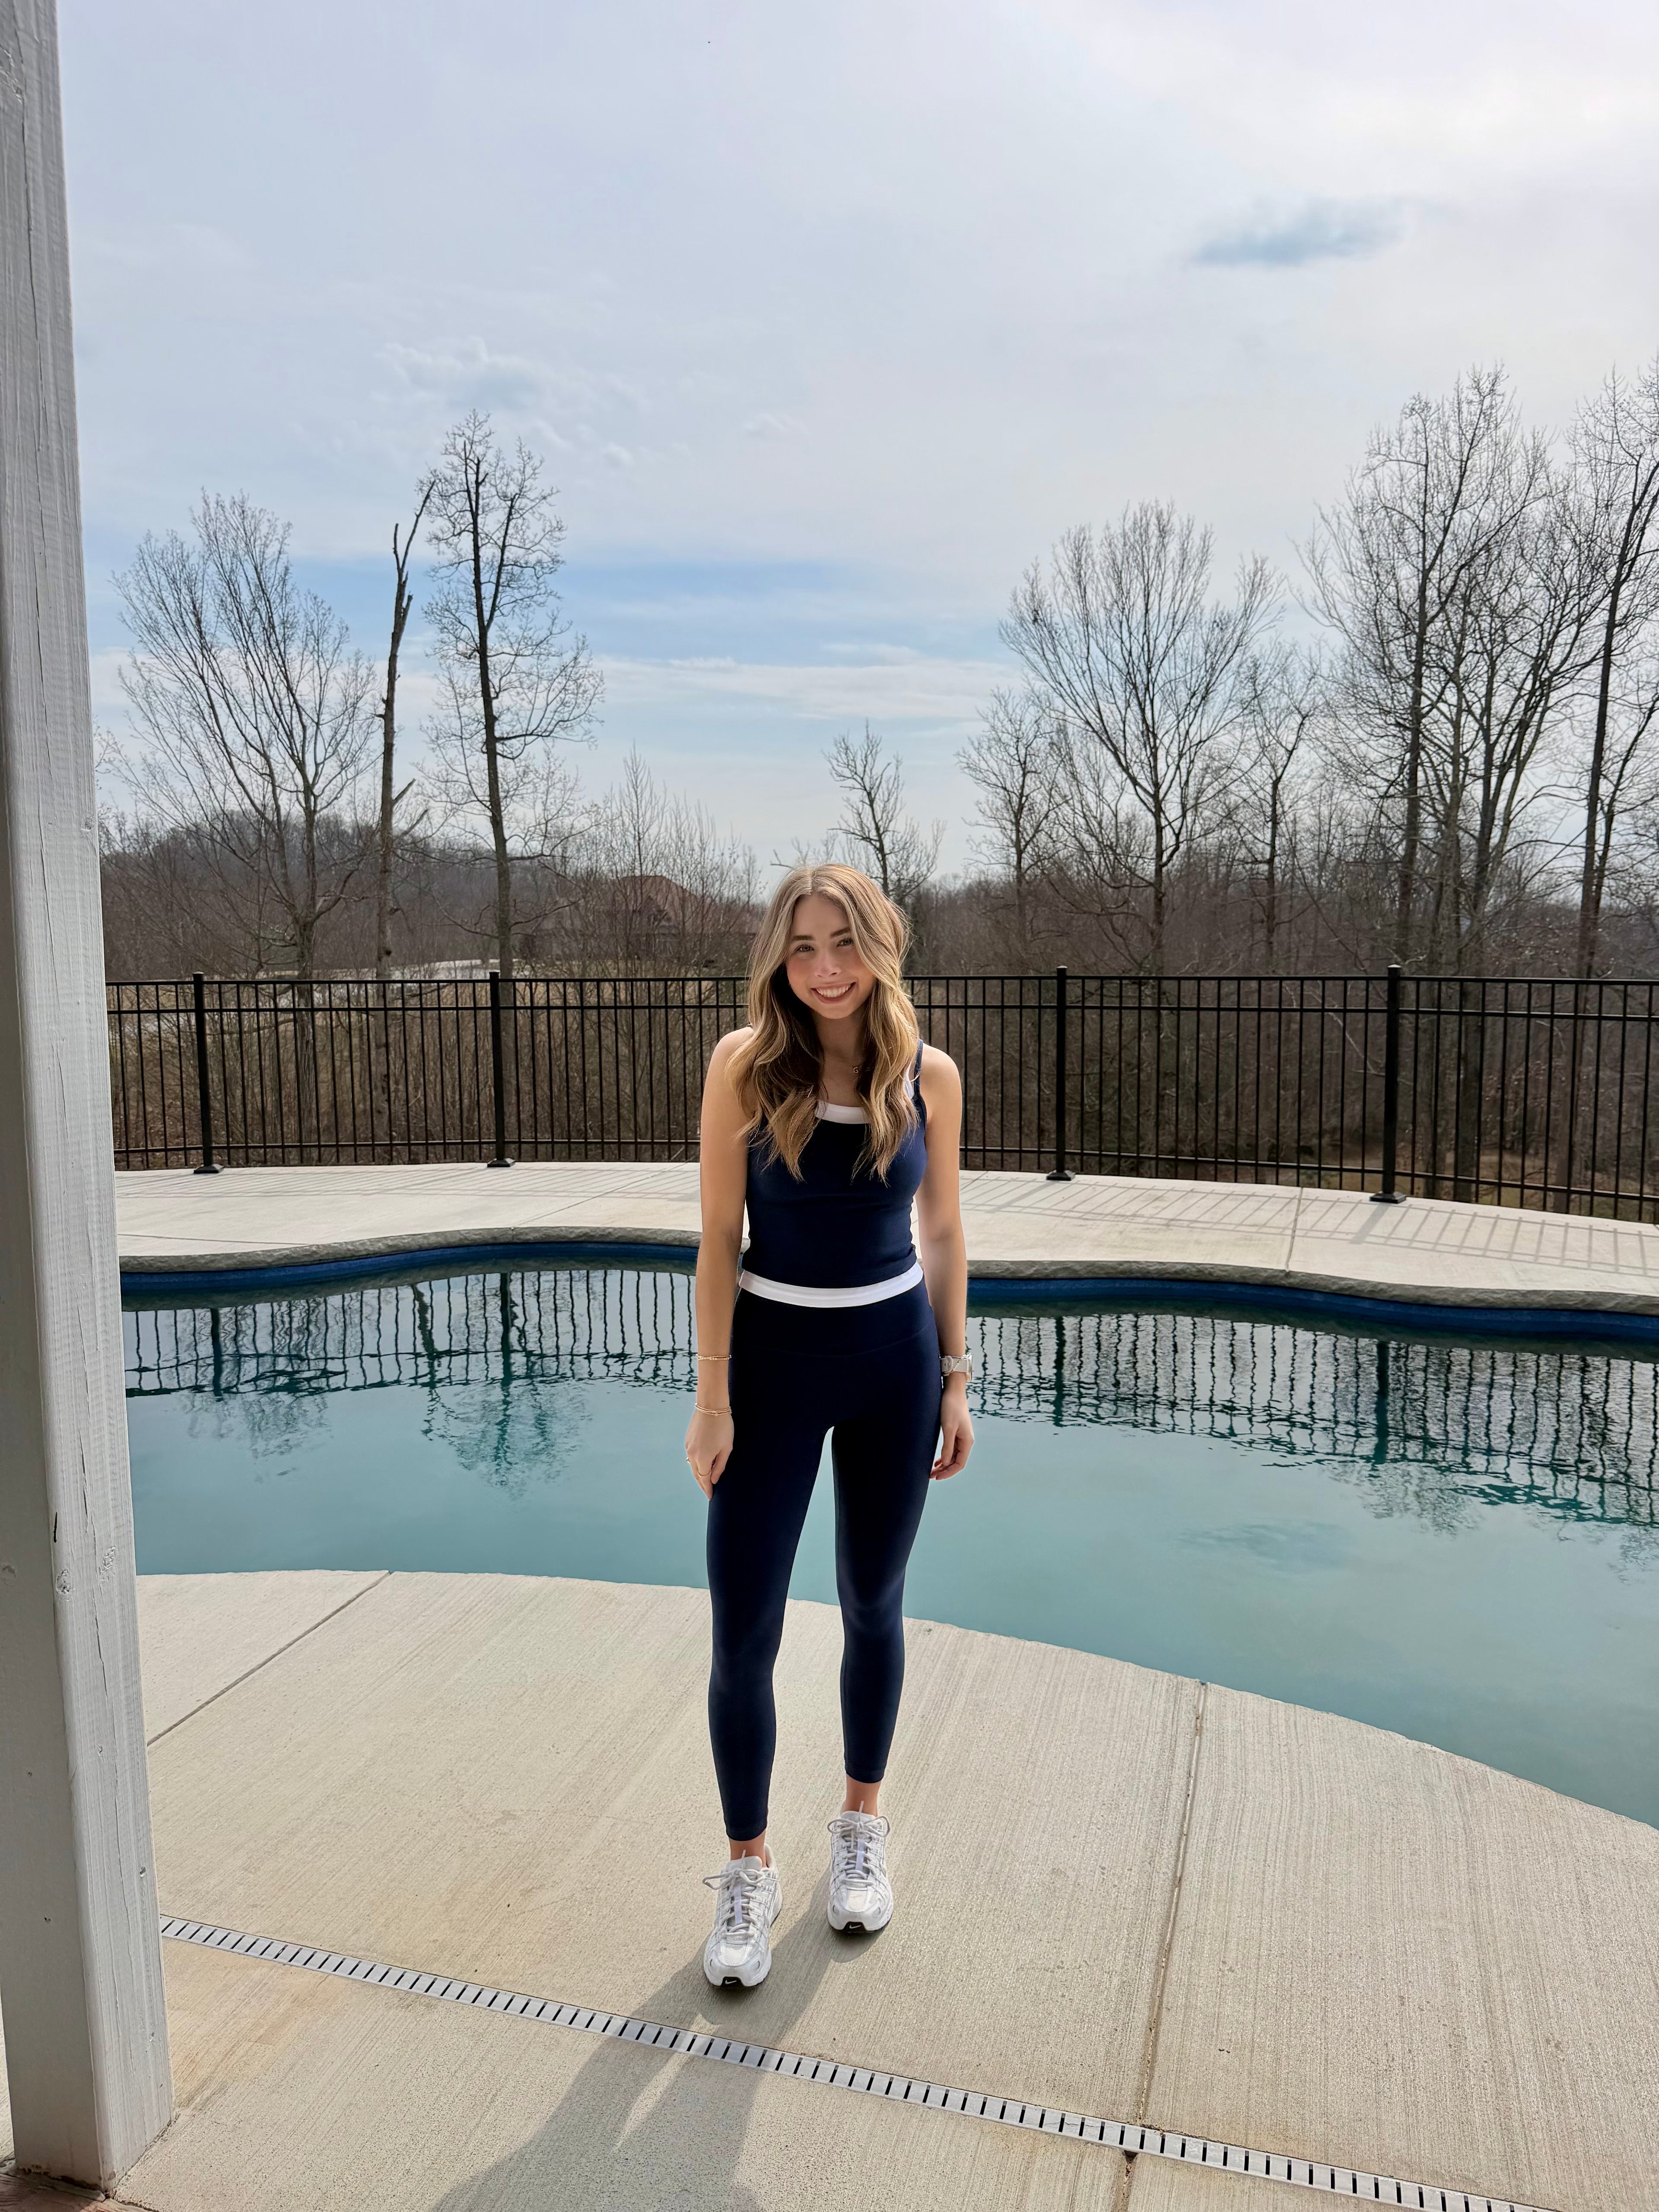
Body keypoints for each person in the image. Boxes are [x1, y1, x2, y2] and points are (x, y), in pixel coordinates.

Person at [684, 862, 973, 1990]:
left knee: (872, 1602)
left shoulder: (929, 1076)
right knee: (744, 1626)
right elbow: (717, 1239)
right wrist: (713, 1397)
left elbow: (944, 1234)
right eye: (803, 947)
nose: (825, 969)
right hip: (773, 1364)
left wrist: (955, 1376)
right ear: (779, 958)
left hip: (892, 1363)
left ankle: (860, 1827)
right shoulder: (743, 1068)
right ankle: (747, 1869)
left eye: (843, 943)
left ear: (881, 947)